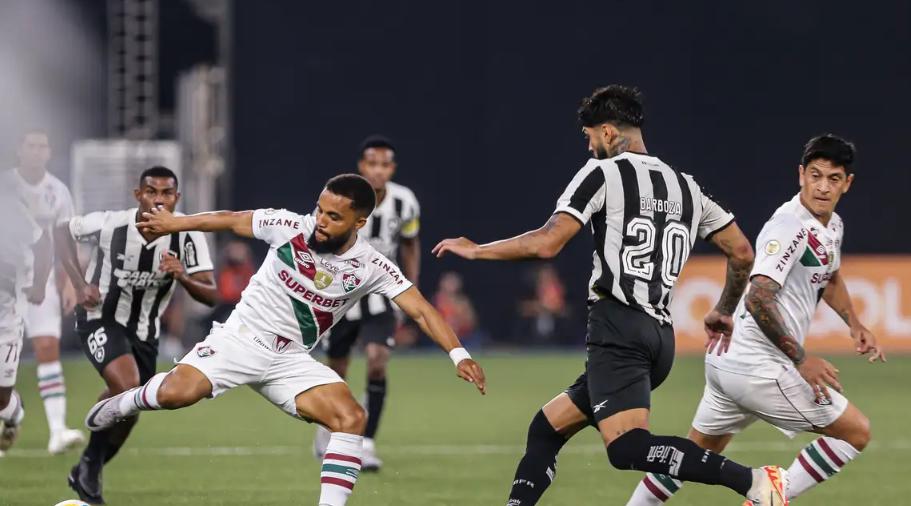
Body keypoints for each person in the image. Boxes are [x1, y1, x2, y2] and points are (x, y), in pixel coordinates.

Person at [434, 85, 787, 506]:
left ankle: (754, 482)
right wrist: (724, 310)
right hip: (658, 338)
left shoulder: (603, 172)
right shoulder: (686, 186)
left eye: (588, 137)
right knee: (547, 427)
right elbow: (742, 253)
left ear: (606, 132)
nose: (588, 147)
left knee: (626, 448)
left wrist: (477, 250)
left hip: (617, 326)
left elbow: (548, 242)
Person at [80, 174, 486, 506]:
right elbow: (230, 218)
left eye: (333, 217)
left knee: (351, 418)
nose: (320, 221)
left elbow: (420, 309)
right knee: (174, 395)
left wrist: (458, 355)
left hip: (289, 360)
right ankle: (125, 401)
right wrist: (177, 222)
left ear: (359, 223)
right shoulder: (290, 225)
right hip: (238, 340)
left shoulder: (372, 265)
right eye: (320, 209)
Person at [625, 134, 883, 506]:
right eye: (815, 175)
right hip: (756, 366)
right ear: (800, 175)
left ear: (848, 183)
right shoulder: (789, 226)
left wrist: (854, 323)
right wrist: (802, 360)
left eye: (833, 178)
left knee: (694, 455)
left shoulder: (832, 226)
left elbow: (829, 276)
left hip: (728, 362)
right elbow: (759, 295)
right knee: (855, 432)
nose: (823, 187)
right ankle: (768, 497)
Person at [56, 166, 217, 504]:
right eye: (151, 192)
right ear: (138, 195)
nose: (158, 200)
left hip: (145, 331)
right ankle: (89, 471)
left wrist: (183, 276)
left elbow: (210, 294)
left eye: (166, 194)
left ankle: (88, 465)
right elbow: (60, 231)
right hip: (98, 317)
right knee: (126, 385)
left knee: (132, 409)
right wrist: (79, 282)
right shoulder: (111, 224)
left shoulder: (187, 234)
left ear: (177, 198)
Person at [314, 136, 421, 470]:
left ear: (392, 168)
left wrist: (409, 290)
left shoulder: (405, 202)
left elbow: (410, 245)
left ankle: (367, 443)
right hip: (340, 296)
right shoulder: (341, 197)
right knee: (337, 369)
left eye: (384, 164)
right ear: (361, 165)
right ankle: (328, 429)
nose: (377, 170)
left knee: (377, 361)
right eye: (371, 163)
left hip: (379, 296)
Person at [12, 130, 85, 454]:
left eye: (43, 145)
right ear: (19, 150)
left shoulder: (58, 191)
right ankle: (11, 418)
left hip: (42, 283)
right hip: (5, 283)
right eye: (31, 145)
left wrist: (71, 281)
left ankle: (57, 431)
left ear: (49, 152)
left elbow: (66, 240)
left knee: (46, 348)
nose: (37, 151)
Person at [0, 174, 53, 456]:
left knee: (2, 398)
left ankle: (14, 416)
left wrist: (40, 284)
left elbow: (43, 243)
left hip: (6, 318)